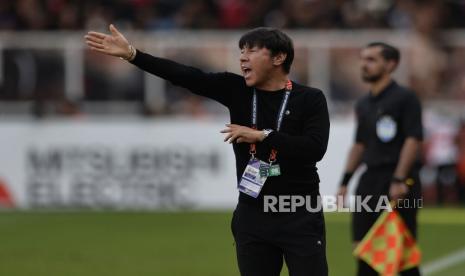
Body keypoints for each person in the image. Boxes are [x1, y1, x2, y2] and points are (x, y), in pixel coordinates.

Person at [85, 25, 330, 276]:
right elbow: (186, 75)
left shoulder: (310, 98)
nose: (243, 57)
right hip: (252, 214)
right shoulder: (237, 90)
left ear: (279, 58)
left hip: (298, 212)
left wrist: (262, 136)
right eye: (241, 51)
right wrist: (133, 55)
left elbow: (314, 149)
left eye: (252, 51)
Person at [337, 42, 423, 276]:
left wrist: (399, 179)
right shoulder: (363, 104)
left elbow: (413, 140)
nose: (364, 64)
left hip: (399, 181)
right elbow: (359, 145)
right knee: (364, 248)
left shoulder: (405, 98)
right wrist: (344, 182)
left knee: (402, 254)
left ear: (391, 64)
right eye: (363, 59)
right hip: (370, 181)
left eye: (372, 59)